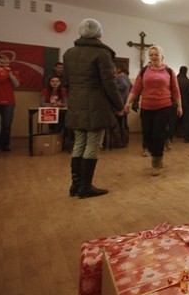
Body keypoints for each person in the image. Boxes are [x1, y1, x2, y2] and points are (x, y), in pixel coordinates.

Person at [63, 18, 124, 198]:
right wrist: (119, 106)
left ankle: (75, 185)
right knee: (93, 144)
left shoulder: (68, 53)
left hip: (76, 103)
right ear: (99, 34)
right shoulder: (102, 54)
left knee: (79, 142)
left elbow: (66, 82)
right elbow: (109, 84)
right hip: (96, 105)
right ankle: (85, 187)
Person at [124, 45, 182, 175]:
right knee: (147, 134)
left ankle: (156, 161)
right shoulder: (144, 71)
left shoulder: (169, 71)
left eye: (156, 54)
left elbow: (175, 90)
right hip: (146, 106)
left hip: (164, 106)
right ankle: (158, 147)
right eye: (151, 55)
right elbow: (136, 88)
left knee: (157, 134)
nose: (154, 57)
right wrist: (128, 102)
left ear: (162, 56)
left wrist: (179, 106)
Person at [113, 63, 132, 148]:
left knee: (119, 124)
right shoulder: (126, 77)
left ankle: (119, 142)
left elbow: (123, 85)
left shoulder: (120, 76)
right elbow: (131, 87)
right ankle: (125, 141)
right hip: (125, 103)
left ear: (119, 69)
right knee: (124, 124)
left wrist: (113, 86)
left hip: (120, 103)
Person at [176, 66, 189, 143]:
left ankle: (170, 137)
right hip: (185, 103)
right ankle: (187, 137)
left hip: (175, 103)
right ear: (186, 71)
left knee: (173, 120)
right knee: (186, 121)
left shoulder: (174, 80)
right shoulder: (187, 81)